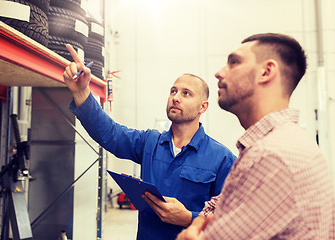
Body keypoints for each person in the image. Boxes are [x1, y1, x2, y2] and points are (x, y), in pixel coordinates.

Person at [63, 44, 236, 239]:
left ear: (202, 107)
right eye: (173, 91)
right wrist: (81, 92)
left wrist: (189, 218)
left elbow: (231, 218)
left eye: (186, 93)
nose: (176, 98)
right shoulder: (150, 142)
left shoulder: (222, 159)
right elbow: (110, 133)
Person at [176, 33, 335, 240]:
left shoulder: (273, 157)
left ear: (266, 72)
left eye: (234, 62)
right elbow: (222, 203)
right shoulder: (275, 143)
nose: (219, 73)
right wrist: (199, 220)